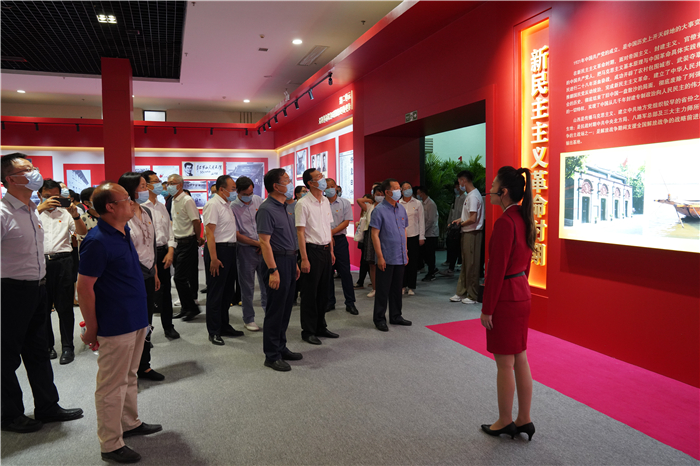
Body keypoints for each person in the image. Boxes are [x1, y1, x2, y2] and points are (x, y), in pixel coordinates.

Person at [78, 182, 162, 463]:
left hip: (135, 317)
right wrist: (92, 328)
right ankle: (111, 443)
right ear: (110, 207)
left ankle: (129, 423)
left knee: (130, 376)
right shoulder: (97, 241)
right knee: (111, 385)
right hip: (115, 322)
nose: (132, 202)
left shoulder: (123, 230)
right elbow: (84, 288)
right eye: (126, 199)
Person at [1, 153, 83, 434]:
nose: (34, 172)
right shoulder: (3, 212)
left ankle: (47, 406)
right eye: (27, 169)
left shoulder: (30, 210)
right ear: (11, 179)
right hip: (10, 291)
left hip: (37, 288)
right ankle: (9, 414)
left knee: (38, 350)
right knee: (6, 357)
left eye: (33, 167)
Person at [480, 166, 536, 442]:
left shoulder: (505, 222)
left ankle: (504, 420)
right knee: (520, 358)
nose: (489, 189)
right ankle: (524, 418)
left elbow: (496, 270)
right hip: (521, 291)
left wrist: (487, 308)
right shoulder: (525, 218)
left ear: (502, 192)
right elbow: (525, 265)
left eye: (493, 185)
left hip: (506, 297)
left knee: (504, 364)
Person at [118, 173, 165, 382]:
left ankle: (144, 365)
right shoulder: (121, 213)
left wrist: (154, 271)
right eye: (143, 186)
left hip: (148, 273)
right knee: (131, 323)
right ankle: (127, 369)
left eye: (146, 185)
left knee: (146, 322)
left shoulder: (146, 211)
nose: (147, 189)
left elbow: (150, 244)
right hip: (129, 276)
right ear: (130, 189)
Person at [256, 168, 303, 371]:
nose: (290, 183)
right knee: (275, 310)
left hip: (289, 259)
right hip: (276, 262)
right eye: (287, 180)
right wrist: (273, 270)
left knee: (285, 309)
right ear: (276, 186)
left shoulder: (285, 207)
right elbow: (264, 242)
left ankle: (281, 347)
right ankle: (271, 355)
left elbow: (288, 237)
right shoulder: (266, 209)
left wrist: (295, 262)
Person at [38, 179, 87, 364]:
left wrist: (76, 216)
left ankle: (68, 347)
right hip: (40, 263)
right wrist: (39, 209)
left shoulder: (66, 213)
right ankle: (47, 346)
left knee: (65, 307)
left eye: (56, 196)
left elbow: (82, 233)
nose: (52, 200)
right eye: (47, 196)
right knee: (42, 308)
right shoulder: (33, 214)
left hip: (64, 262)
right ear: (39, 195)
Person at [296, 168, 339, 345]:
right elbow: (300, 232)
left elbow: (328, 227)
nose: (322, 179)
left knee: (324, 292)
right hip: (311, 250)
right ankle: (308, 330)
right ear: (310, 183)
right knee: (309, 293)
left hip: (325, 250)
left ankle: (321, 326)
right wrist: (304, 258)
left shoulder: (325, 201)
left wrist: (331, 251)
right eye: (319, 177)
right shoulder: (303, 203)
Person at [203, 175, 244, 345]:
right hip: (218, 251)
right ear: (222, 189)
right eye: (233, 189)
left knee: (227, 292)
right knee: (216, 293)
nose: (235, 192)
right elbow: (209, 233)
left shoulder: (226, 205)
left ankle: (224, 325)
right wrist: (214, 258)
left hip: (230, 250)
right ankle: (213, 331)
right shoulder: (213, 204)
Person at [370, 179, 412, 331]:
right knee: (383, 289)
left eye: (399, 188)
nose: (399, 191)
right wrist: (380, 257)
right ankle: (379, 318)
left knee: (397, 288)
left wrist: (405, 251)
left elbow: (404, 230)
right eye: (395, 188)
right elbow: (374, 234)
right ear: (387, 192)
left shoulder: (401, 209)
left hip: (400, 255)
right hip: (386, 256)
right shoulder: (379, 210)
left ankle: (396, 316)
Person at [142, 171, 179, 340]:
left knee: (165, 293)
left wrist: (171, 250)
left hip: (164, 253)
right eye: (155, 181)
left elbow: (169, 230)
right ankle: (146, 334)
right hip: (147, 255)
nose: (159, 184)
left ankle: (168, 327)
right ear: (146, 185)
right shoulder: (141, 207)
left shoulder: (162, 206)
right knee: (148, 295)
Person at [231, 175, 266, 331]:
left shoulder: (258, 200)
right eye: (245, 194)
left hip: (263, 248)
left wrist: (263, 243)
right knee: (247, 287)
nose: (249, 196)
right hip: (245, 249)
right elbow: (237, 234)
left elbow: (265, 223)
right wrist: (257, 243)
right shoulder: (233, 207)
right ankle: (249, 319)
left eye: (251, 193)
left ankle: (270, 315)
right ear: (238, 192)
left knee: (266, 285)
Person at [167, 174, 204, 321]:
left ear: (180, 185)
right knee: (179, 277)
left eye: (172, 183)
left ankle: (193, 308)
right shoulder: (173, 200)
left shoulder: (187, 200)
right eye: (168, 183)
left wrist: (197, 238)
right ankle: (185, 307)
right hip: (177, 242)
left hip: (187, 242)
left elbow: (196, 221)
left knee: (179, 278)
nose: (169, 186)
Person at [325, 177, 359, 315]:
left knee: (345, 272)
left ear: (336, 187)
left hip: (339, 240)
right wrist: (328, 236)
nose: (329, 189)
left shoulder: (344, 203)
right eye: (327, 186)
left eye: (332, 186)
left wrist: (331, 233)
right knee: (328, 273)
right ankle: (330, 301)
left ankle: (350, 303)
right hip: (324, 241)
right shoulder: (321, 203)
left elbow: (346, 222)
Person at [450, 170, 484, 304]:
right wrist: (459, 221)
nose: (459, 185)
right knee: (466, 264)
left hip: (472, 233)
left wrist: (461, 224)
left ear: (463, 181)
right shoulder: (470, 195)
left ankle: (472, 295)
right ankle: (462, 292)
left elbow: (473, 218)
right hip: (467, 231)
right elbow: (468, 216)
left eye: (459, 182)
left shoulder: (473, 196)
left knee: (472, 264)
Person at [398, 181, 424, 296]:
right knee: (402, 262)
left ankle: (411, 286)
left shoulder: (418, 203)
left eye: (408, 187)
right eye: (404, 188)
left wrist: (422, 236)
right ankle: (402, 285)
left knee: (413, 262)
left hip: (414, 236)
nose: (407, 190)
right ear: (401, 191)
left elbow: (421, 221)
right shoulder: (398, 203)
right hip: (401, 237)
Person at [441, 181, 466, 276]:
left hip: (461, 226)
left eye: (458, 186)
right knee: (452, 247)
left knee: (457, 248)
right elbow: (454, 212)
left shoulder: (465, 197)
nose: (457, 189)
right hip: (454, 226)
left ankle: (455, 266)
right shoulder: (457, 198)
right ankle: (451, 266)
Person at [415, 186, 439, 281]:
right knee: (424, 253)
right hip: (424, 233)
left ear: (423, 193)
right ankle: (432, 269)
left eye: (418, 193)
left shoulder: (431, 204)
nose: (418, 195)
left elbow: (431, 220)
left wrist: (422, 230)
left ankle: (431, 272)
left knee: (430, 253)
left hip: (431, 233)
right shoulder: (421, 203)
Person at [292, 185, 307, 305]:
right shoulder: (292, 206)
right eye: (303, 191)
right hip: (294, 244)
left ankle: (303, 294)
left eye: (306, 191)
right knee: (294, 273)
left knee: (304, 273)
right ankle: (293, 297)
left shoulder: (307, 205)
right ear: (297, 194)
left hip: (306, 244)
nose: (305, 193)